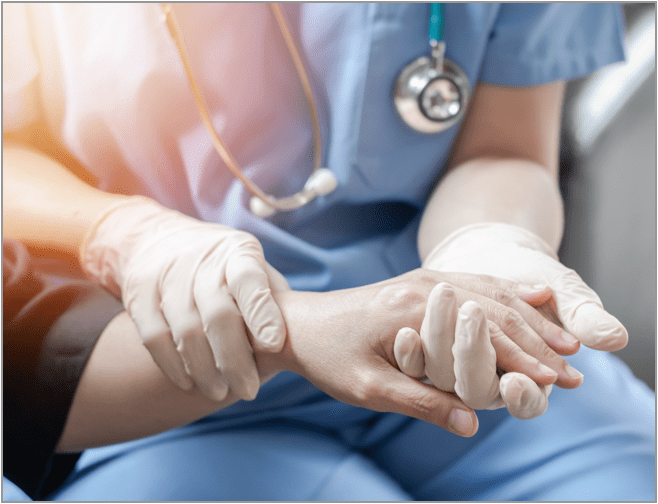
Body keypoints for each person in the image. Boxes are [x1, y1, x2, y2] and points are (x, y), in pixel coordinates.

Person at [3, 2, 654, 501]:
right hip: (180, 381)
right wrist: (124, 232)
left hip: (453, 344)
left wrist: (488, 245)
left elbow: (505, 146)